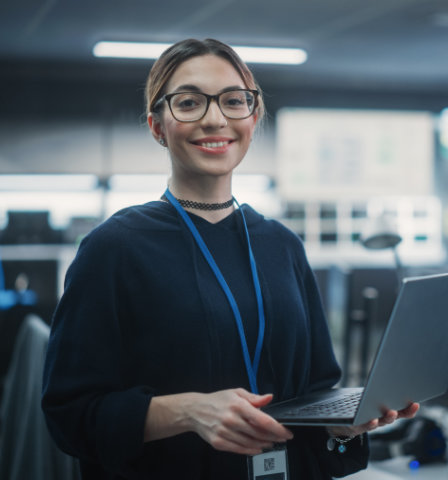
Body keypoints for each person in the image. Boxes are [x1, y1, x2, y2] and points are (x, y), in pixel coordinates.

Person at [41, 38, 419, 479]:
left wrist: (342, 422)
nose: (215, 119)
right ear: (157, 126)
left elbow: (317, 389)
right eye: (188, 103)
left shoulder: (283, 245)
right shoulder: (115, 248)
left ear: (253, 118)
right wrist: (188, 411)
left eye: (234, 101)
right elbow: (69, 415)